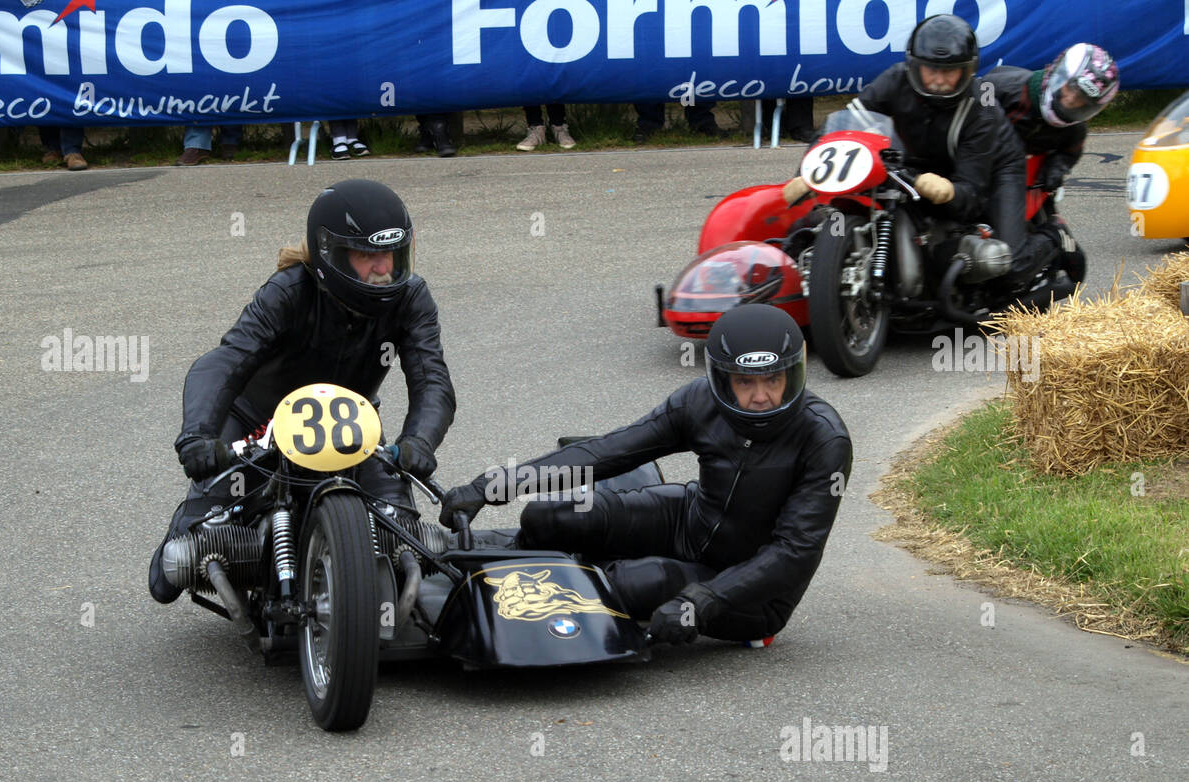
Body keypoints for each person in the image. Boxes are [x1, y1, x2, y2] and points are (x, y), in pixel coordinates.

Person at [438, 304, 852, 644]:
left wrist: (704, 598)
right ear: (723, 381)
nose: (761, 396)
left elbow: (794, 553)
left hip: (755, 595)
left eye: (773, 380)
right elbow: (608, 452)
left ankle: (557, 588)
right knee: (548, 516)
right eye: (746, 382)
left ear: (793, 375)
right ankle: (514, 562)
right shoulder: (698, 402)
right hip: (690, 523)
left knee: (629, 584)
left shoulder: (823, 438)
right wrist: (494, 485)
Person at [149, 179, 456, 603]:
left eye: (390, 253)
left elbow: (432, 379)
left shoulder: (412, 297)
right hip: (258, 424)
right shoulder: (290, 290)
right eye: (368, 255)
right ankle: (192, 517)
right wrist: (198, 435)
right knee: (175, 569)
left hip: (352, 428)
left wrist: (419, 440)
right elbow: (224, 361)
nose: (383, 268)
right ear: (331, 253)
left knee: (407, 543)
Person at [781, 14, 1066, 288]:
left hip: (995, 162)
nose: (939, 80)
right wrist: (807, 173)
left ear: (966, 71)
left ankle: (1056, 235)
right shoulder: (894, 80)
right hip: (917, 162)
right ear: (915, 66)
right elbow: (842, 127)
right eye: (932, 70)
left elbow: (972, 196)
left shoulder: (981, 109)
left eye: (949, 72)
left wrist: (951, 192)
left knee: (1007, 265)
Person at [985, 43, 1118, 281]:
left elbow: (1070, 152)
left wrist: (1057, 167)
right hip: (980, 164)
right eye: (1071, 90)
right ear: (1057, 73)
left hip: (1021, 183)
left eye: (1081, 102)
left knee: (1012, 263)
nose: (1070, 102)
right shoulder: (1002, 86)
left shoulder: (1074, 130)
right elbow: (970, 105)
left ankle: (1054, 236)